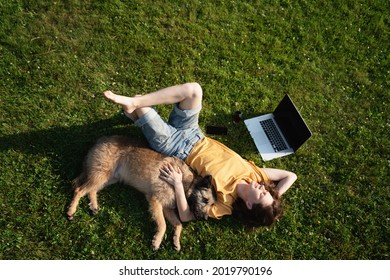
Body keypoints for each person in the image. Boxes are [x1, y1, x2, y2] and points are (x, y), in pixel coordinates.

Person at [104, 82, 297, 227]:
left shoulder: (225, 205)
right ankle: (133, 107)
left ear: (248, 204)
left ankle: (135, 110)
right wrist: (272, 200)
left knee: (143, 107)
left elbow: (187, 216)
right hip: (194, 132)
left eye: (261, 194)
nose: (264, 188)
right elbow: (290, 176)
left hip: (175, 147)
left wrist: (178, 184)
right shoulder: (256, 176)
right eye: (266, 191)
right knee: (194, 90)